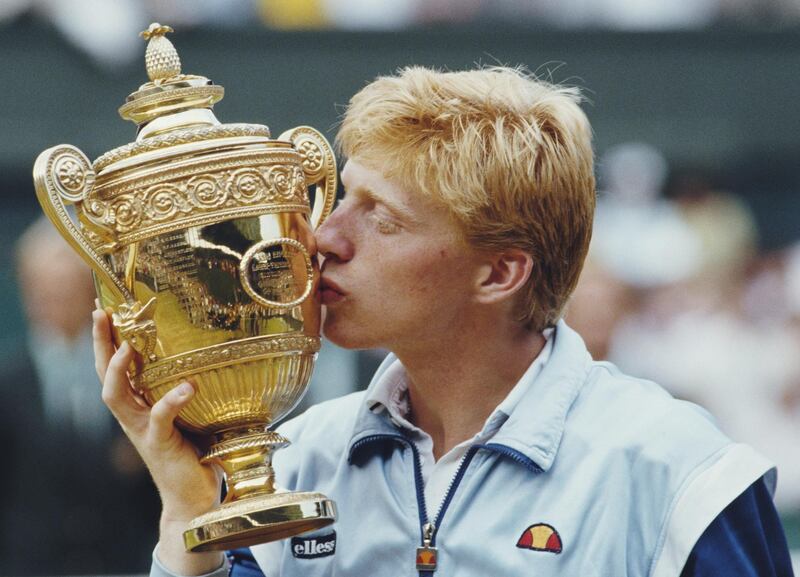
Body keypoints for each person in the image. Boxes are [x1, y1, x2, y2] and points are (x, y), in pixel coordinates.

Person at [93, 66, 794, 577]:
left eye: (384, 217)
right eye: (341, 198)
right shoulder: (294, 459)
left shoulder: (677, 472)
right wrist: (188, 517)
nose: (324, 237)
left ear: (498, 273)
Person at [1, 217, 160, 574]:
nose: (53, 303)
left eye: (66, 289)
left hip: (126, 561)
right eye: (43, 291)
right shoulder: (8, 386)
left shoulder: (137, 379)